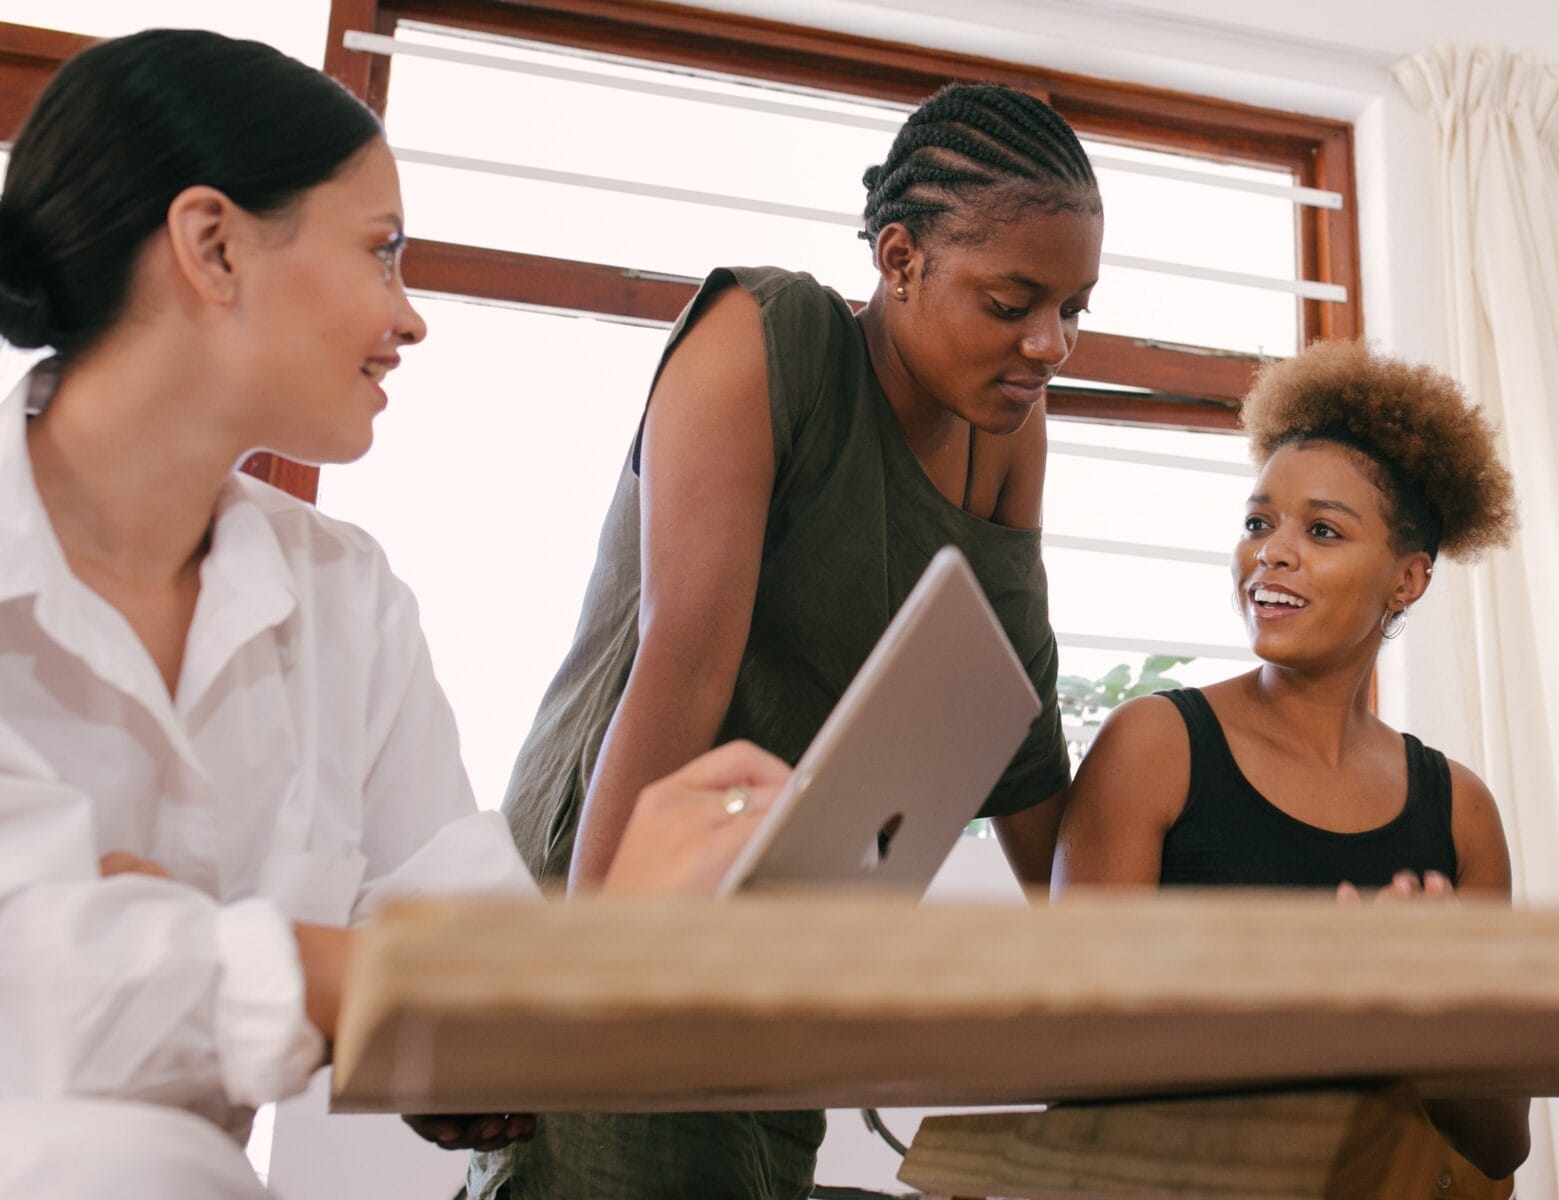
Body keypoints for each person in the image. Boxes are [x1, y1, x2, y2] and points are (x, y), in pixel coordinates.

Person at [0, 30, 782, 1199]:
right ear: (212, 246)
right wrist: (342, 975)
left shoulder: (345, 600)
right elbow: (50, 989)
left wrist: (611, 944)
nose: (410, 318)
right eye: (382, 252)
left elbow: (478, 1032)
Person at [479, 81, 1103, 1199]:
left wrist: (1128, 989)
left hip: (785, 928)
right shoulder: (764, 336)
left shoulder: (1006, 427)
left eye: (1074, 308)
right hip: (619, 884)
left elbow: (1016, 727)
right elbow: (682, 667)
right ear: (900, 259)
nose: (1048, 343)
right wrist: (584, 980)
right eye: (1013, 300)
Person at [1051, 339, 1530, 1180]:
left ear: (1407, 579)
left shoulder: (1460, 809)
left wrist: (1431, 1012)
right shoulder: (1155, 748)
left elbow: (1499, 1144)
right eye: (1258, 522)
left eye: (1322, 530)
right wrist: (1332, 1000)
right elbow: (1073, 1053)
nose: (1271, 552)